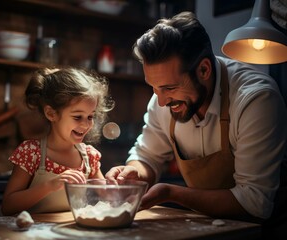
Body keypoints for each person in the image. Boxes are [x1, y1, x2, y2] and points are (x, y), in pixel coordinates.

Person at [105, 11, 287, 237]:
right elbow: (147, 156)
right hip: (207, 228)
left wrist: (171, 193)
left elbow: (254, 202)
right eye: (154, 87)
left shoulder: (256, 100)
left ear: (204, 70)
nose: (161, 101)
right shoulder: (163, 100)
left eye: (169, 88)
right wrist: (133, 172)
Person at [1, 67, 114, 215]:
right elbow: (8, 206)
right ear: (51, 114)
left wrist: (116, 182)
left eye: (90, 117)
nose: (86, 125)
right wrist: (50, 186)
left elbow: (108, 197)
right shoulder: (31, 153)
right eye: (77, 117)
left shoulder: (89, 157)